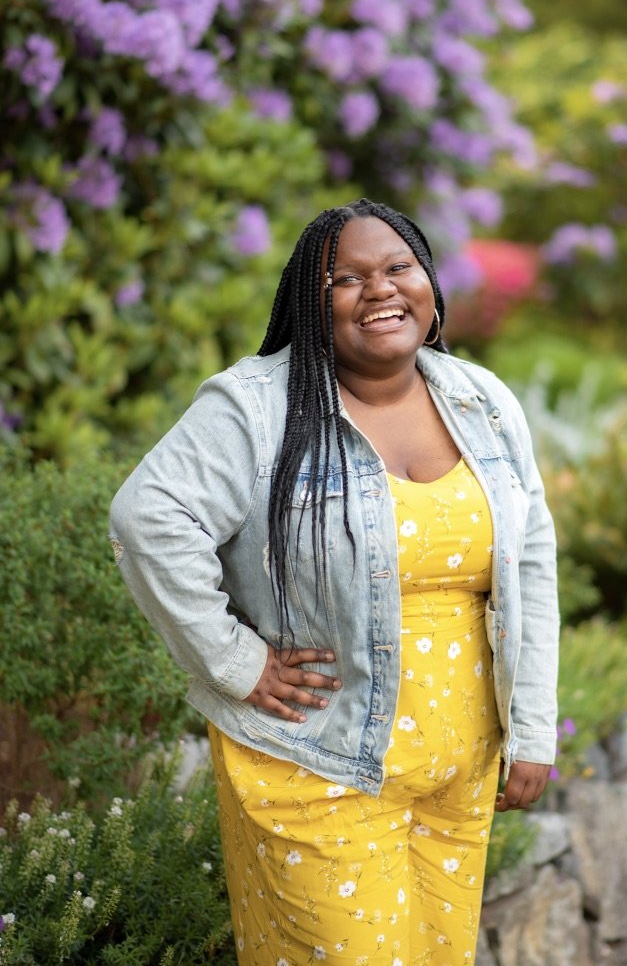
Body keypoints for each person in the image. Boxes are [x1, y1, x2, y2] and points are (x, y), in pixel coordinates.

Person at [109, 198, 559, 966]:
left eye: (397, 267)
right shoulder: (257, 405)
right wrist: (234, 662)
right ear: (309, 304)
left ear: (427, 281)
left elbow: (532, 558)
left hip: (458, 773)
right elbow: (148, 518)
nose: (379, 289)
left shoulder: (479, 399)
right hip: (317, 761)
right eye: (344, 279)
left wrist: (532, 726)